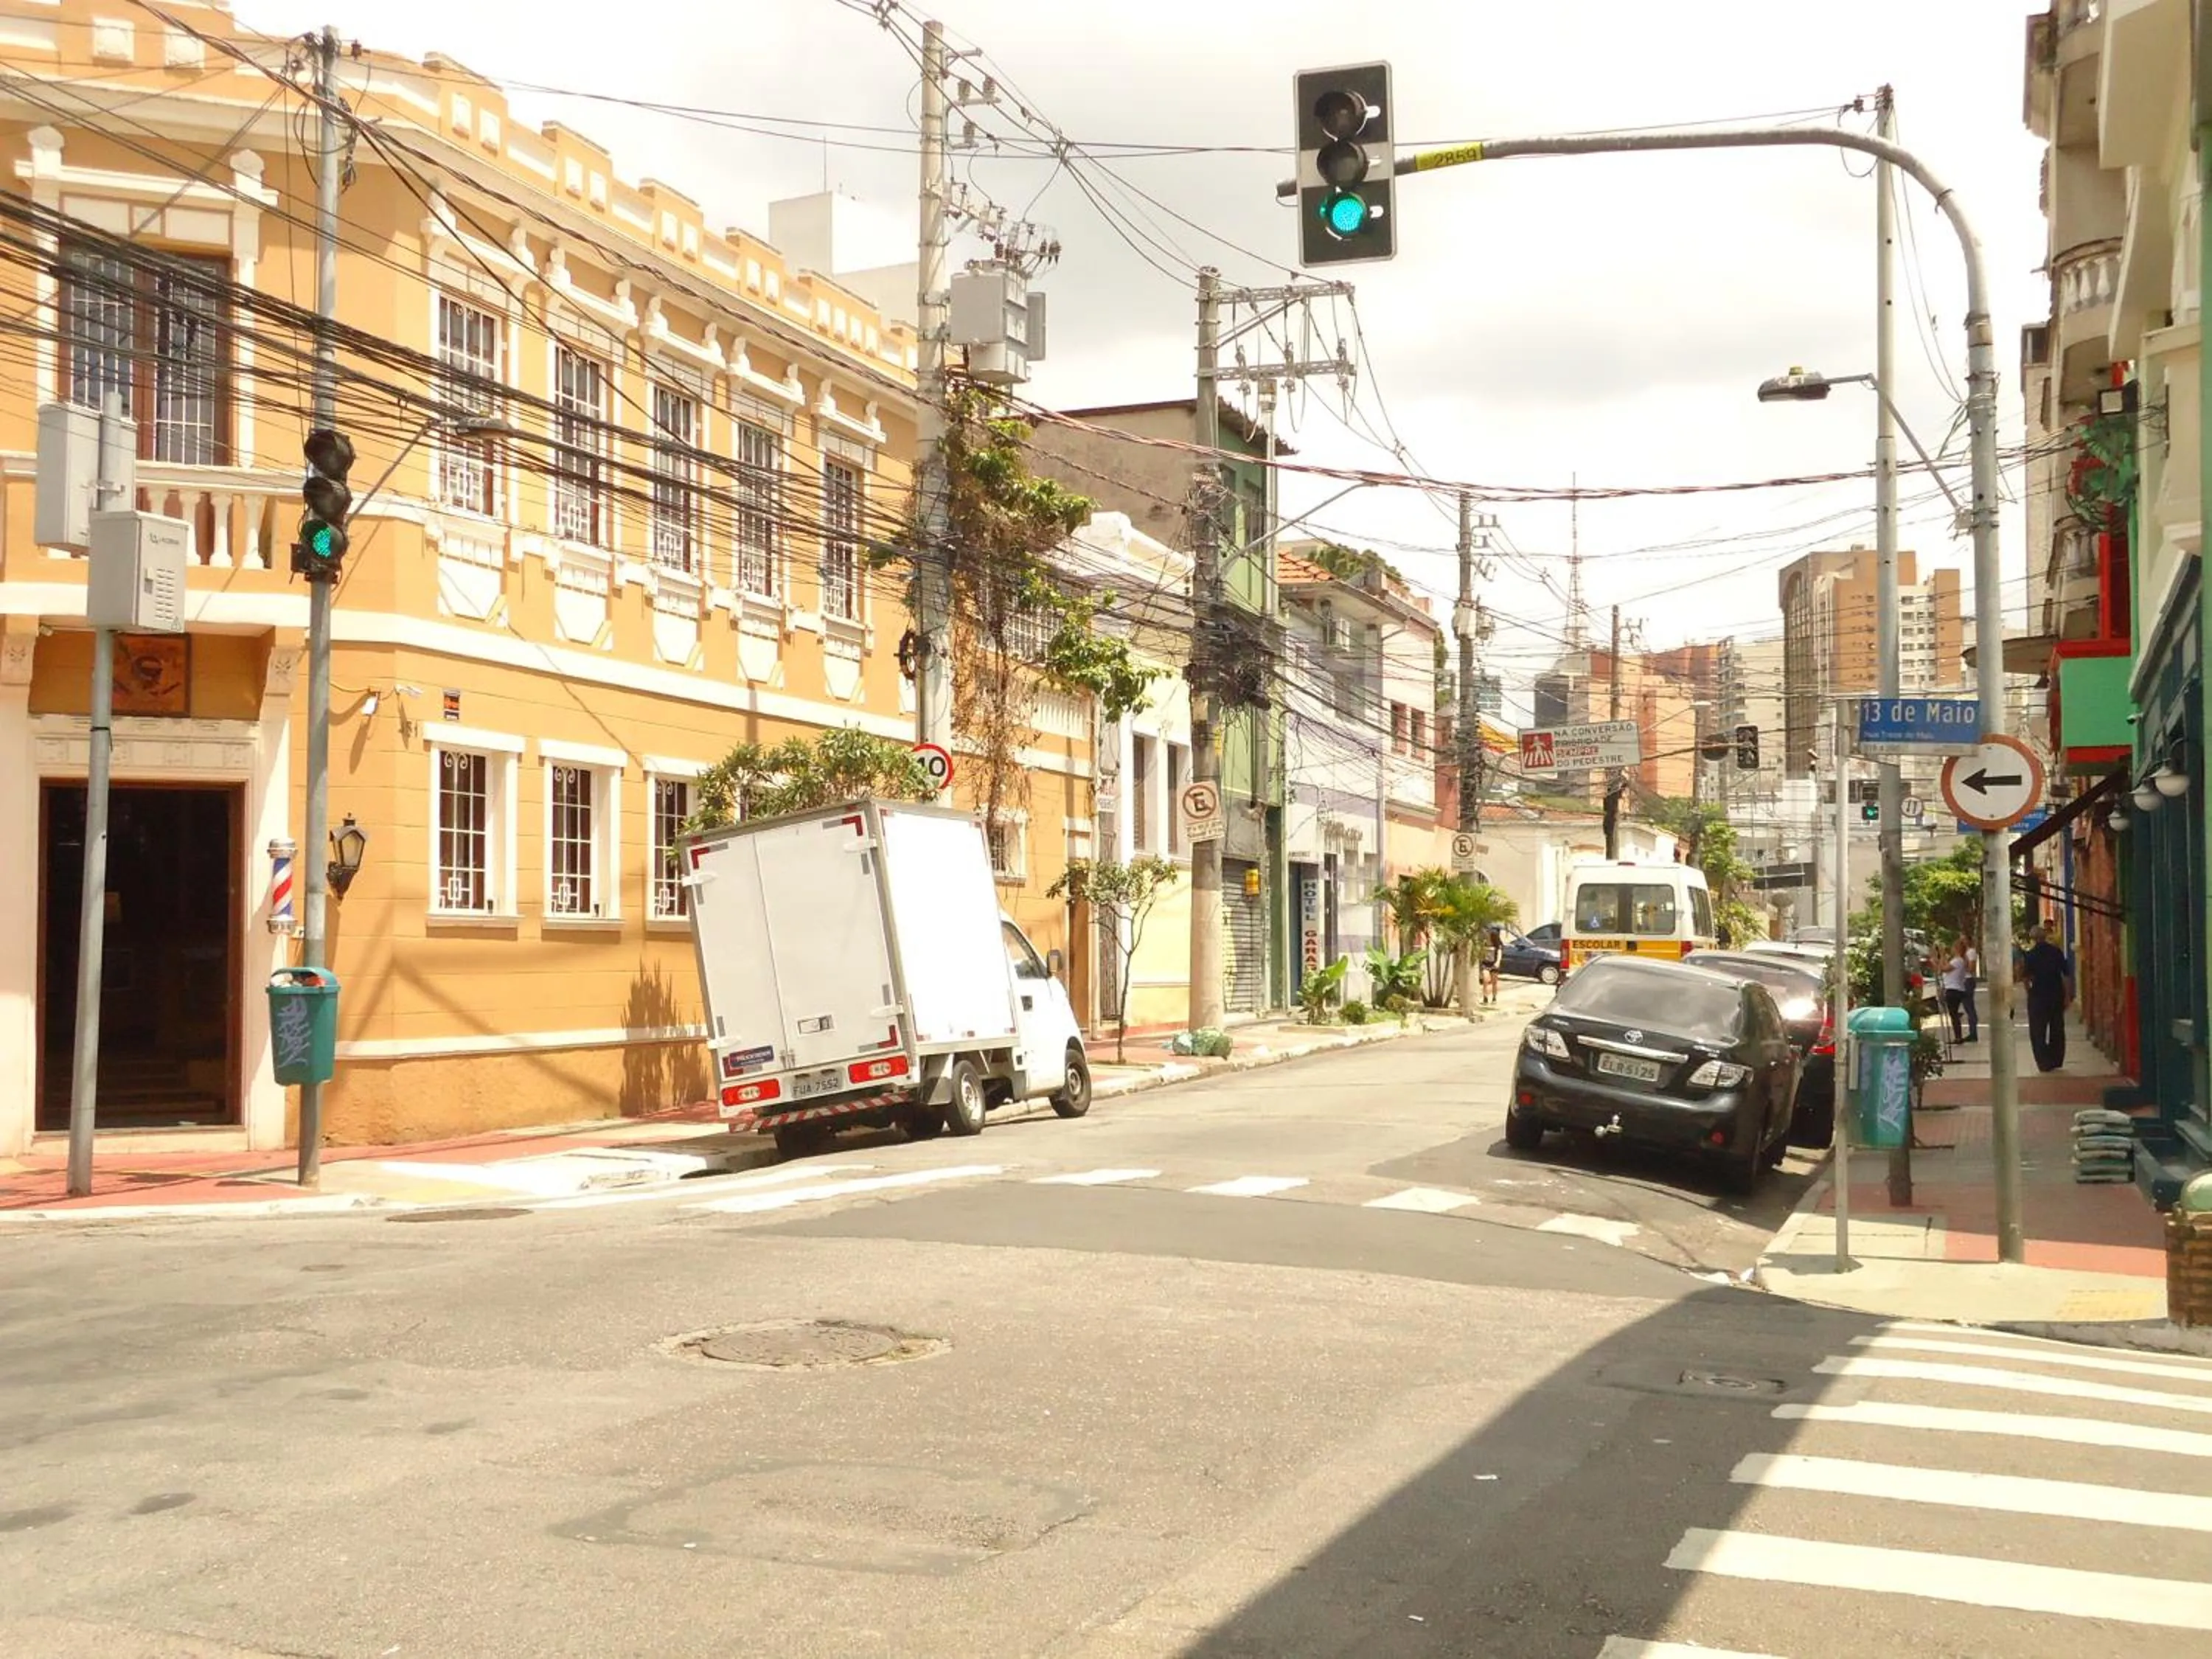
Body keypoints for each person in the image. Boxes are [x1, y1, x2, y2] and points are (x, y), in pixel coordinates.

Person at [2020, 923, 2074, 1074]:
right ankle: (2056, 1059)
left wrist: (2029, 992)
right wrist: (2068, 996)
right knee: (2057, 1027)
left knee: (2038, 1030)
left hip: (2038, 996)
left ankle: (2043, 1062)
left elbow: (2025, 978)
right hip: (2056, 994)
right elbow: (2066, 976)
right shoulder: (2056, 952)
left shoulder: (2030, 955)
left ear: (2033, 938)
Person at [1940, 942, 1970, 1045]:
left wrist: (1942, 955)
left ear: (1957, 949)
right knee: (1953, 1014)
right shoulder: (1959, 961)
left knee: (1953, 1014)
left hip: (1953, 989)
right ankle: (1958, 1036)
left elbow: (1943, 968)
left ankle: (1958, 1037)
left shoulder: (1957, 961)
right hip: (1955, 988)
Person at [1961, 936, 1981, 1043]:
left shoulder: (1971, 952)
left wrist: (1963, 966)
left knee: (1970, 1007)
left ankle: (1973, 1033)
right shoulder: (1966, 952)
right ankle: (1972, 1032)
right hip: (1965, 980)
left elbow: (1971, 968)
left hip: (1968, 981)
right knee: (1968, 1007)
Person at [1480, 926, 1504, 1005]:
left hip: (1494, 964)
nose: (1486, 935)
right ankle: (1485, 998)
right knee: (1485, 980)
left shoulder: (1497, 945)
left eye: (1488, 934)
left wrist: (1497, 962)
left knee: (1494, 982)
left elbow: (1500, 954)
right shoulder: (1484, 942)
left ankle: (1494, 997)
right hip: (1485, 963)